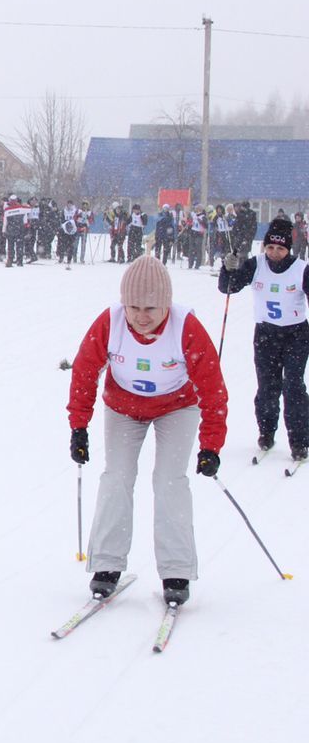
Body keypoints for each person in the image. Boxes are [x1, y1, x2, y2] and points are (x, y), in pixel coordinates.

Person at [67, 255, 228, 607]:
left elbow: (212, 388)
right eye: (134, 307)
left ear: (166, 304)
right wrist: (79, 427)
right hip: (123, 407)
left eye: (151, 308)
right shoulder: (110, 322)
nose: (141, 316)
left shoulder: (186, 326)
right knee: (117, 477)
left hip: (177, 407)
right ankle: (107, 565)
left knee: (170, 481)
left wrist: (211, 446)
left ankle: (177, 570)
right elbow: (83, 372)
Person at [219, 218, 309, 462]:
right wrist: (228, 268)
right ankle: (266, 431)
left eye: (280, 249)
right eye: (270, 248)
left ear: (288, 249)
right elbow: (228, 287)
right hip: (266, 335)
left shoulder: (301, 268)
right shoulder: (256, 264)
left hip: (295, 335)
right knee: (268, 387)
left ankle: (300, 441)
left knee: (293, 386)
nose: (274, 253)